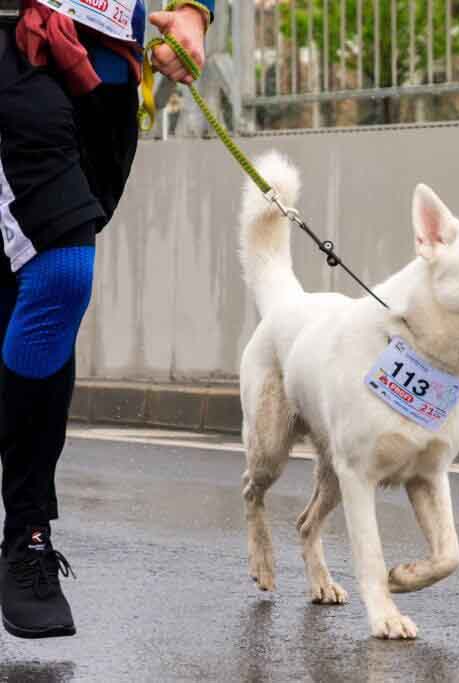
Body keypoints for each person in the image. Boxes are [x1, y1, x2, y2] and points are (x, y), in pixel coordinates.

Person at [0, 0, 212, 638]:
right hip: (16, 42)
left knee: (28, 298)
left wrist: (190, 13)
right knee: (63, 272)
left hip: (106, 69)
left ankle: (24, 533)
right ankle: (29, 536)